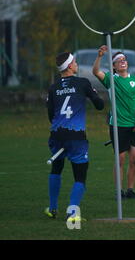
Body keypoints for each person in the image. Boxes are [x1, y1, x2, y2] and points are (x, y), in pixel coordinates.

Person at [45, 52, 104, 221]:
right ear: (70, 66)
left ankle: (52, 208)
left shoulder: (53, 87)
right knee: (80, 175)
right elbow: (99, 105)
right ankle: (72, 212)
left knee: (56, 168)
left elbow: (51, 113)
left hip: (56, 134)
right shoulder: (82, 83)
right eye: (75, 62)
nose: (77, 65)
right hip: (76, 136)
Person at [92, 46, 135, 199]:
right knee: (120, 159)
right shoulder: (111, 79)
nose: (122, 62)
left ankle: (130, 189)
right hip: (117, 125)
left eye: (124, 59)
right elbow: (96, 72)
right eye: (118, 61)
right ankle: (119, 190)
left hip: (134, 125)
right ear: (114, 66)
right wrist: (100, 56)